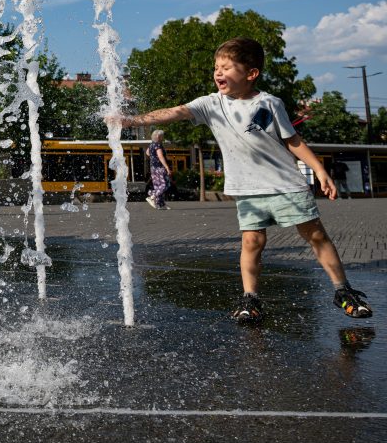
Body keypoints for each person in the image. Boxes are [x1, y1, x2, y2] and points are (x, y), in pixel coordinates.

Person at [118, 37, 372, 324]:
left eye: (226, 67)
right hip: (248, 188)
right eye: (216, 67)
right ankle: (250, 298)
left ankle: (343, 290)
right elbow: (174, 113)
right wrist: (132, 121)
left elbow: (293, 141)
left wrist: (320, 170)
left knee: (315, 235)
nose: (218, 73)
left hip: (285, 184)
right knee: (252, 241)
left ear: (251, 74)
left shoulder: (269, 103)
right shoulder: (210, 104)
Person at [146, 129, 172, 210]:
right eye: (162, 136)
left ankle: (161, 204)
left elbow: (147, 152)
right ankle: (152, 196)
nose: (163, 138)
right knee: (165, 184)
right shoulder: (158, 145)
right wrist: (167, 167)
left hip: (153, 168)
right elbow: (161, 156)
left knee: (158, 185)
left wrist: (153, 158)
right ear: (158, 136)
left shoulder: (151, 145)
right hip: (159, 168)